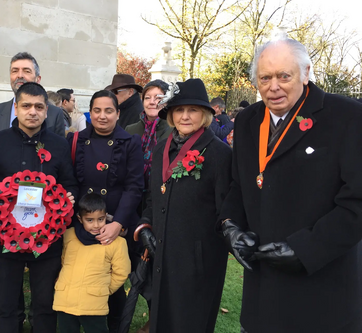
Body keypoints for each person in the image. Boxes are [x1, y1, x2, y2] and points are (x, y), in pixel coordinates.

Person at [219, 38, 362, 333]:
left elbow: (357, 202)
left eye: (285, 76)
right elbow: (239, 184)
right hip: (262, 294)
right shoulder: (247, 120)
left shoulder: (347, 117)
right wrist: (230, 224)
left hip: (322, 292)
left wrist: (306, 249)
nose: (274, 86)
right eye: (265, 77)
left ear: (306, 72)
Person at [136, 78, 232, 333]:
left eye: (193, 110)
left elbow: (227, 209)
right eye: (179, 110)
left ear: (206, 115)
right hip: (162, 253)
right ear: (170, 115)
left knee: (191, 322)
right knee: (161, 319)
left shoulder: (219, 154)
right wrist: (146, 224)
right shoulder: (160, 151)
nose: (185, 116)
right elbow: (152, 197)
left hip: (198, 261)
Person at [0, 82, 78, 333]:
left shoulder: (59, 144)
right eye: (26, 106)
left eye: (38, 107)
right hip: (5, 239)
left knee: (45, 302)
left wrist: (70, 198)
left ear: (47, 111)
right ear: (16, 108)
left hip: (47, 238)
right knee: (6, 303)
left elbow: (69, 182)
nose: (32, 112)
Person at [67, 90, 143, 332]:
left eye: (108, 110)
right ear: (90, 113)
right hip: (84, 221)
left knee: (114, 282)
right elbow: (71, 182)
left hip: (115, 223)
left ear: (118, 114)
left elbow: (134, 187)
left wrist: (117, 223)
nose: (102, 116)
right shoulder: (76, 140)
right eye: (97, 110)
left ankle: (114, 326)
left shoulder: (130, 143)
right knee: (83, 276)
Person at [53, 193, 131, 333]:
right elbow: (64, 261)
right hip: (65, 301)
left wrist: (103, 290)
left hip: (94, 304)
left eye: (100, 219)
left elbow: (122, 272)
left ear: (106, 216)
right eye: (90, 220)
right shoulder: (70, 235)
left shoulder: (117, 243)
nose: (96, 225)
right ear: (80, 219)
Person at [0, 52, 65, 138]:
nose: (20, 75)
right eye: (15, 71)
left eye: (26, 71)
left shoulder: (55, 115)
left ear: (37, 79)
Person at [126, 79, 172, 212]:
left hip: (161, 197)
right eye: (147, 98)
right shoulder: (130, 129)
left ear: (167, 102)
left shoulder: (174, 130)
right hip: (133, 195)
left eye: (158, 98)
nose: (152, 102)